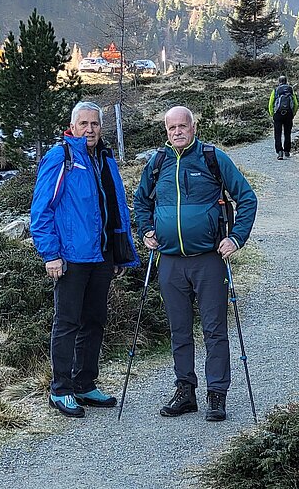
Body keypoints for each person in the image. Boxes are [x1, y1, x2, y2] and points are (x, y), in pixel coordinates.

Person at [133, 106, 257, 422]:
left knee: (214, 329)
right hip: (170, 261)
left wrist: (236, 238)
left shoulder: (213, 158)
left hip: (208, 260)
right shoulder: (157, 162)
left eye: (182, 126)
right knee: (179, 329)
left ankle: (217, 394)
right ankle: (185, 391)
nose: (177, 132)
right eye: (171, 127)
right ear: (166, 131)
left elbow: (246, 198)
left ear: (193, 127)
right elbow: (141, 200)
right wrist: (146, 230)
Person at [30, 101, 139, 418]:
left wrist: (119, 251)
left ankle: (84, 383)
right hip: (70, 257)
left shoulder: (104, 158)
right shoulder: (61, 158)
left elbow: (115, 205)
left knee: (94, 320)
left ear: (100, 127)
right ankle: (61, 390)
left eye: (94, 124)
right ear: (73, 126)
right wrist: (50, 254)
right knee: (67, 322)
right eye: (84, 124)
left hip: (102, 255)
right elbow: (41, 211)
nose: (89, 129)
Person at [268, 75, 298, 160]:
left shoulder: (276, 90)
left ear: (279, 81)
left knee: (277, 134)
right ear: (286, 81)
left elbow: (270, 104)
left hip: (278, 114)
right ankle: (287, 151)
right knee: (287, 133)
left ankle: (279, 152)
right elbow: (296, 104)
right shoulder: (290, 89)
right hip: (288, 114)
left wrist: (272, 114)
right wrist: (293, 114)